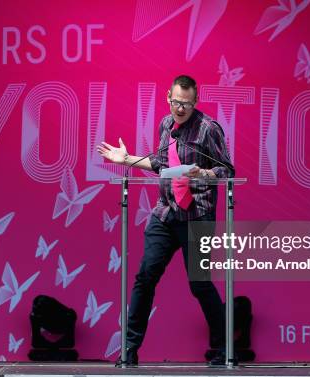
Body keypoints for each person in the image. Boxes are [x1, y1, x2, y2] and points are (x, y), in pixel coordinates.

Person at [96, 75, 235, 367]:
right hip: (166, 212)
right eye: (175, 102)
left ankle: (224, 349)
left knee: (199, 285)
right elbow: (160, 164)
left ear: (195, 102)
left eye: (185, 104)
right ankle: (129, 351)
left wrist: (204, 174)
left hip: (197, 215)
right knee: (145, 276)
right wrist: (126, 159)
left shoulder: (209, 129)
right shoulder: (165, 125)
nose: (180, 109)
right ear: (167, 98)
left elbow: (226, 171)